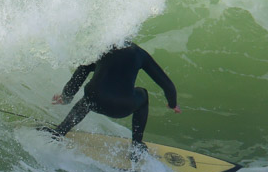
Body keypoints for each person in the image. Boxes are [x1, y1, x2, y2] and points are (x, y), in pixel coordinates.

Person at [47, 42, 181, 148]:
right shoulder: (139, 53)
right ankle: (137, 145)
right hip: (122, 107)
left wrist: (66, 96)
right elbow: (167, 85)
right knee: (143, 95)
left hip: (95, 101)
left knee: (89, 97)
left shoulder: (100, 47)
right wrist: (173, 103)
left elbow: (81, 72)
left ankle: (60, 131)